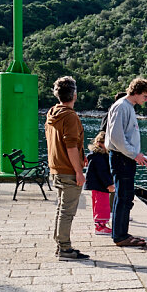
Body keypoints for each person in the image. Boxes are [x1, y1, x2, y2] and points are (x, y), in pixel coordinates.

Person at [106, 77, 147, 247]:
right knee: (123, 196)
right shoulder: (121, 107)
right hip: (122, 159)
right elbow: (116, 137)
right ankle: (120, 236)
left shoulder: (128, 107)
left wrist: (135, 154)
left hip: (125, 158)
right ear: (137, 92)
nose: (146, 99)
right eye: (145, 96)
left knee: (126, 197)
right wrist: (135, 155)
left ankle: (122, 233)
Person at [45, 76, 89, 260]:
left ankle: (60, 244)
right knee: (67, 211)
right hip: (69, 170)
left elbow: (66, 144)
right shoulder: (70, 116)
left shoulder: (52, 113)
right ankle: (64, 248)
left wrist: (81, 155)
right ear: (75, 95)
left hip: (56, 168)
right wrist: (79, 171)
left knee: (61, 208)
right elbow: (70, 145)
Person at [83, 131, 115, 236]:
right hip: (100, 185)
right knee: (102, 206)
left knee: (99, 204)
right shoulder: (98, 157)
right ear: (99, 143)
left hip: (98, 185)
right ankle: (100, 227)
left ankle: (101, 225)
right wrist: (109, 184)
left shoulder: (97, 155)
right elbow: (102, 172)